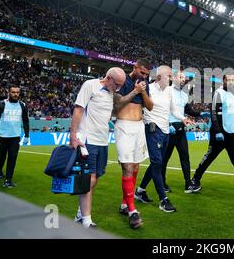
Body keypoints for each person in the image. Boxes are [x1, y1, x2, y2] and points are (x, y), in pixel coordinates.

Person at [70, 67, 126, 228]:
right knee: (90, 178)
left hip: (103, 141)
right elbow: (78, 109)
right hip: (88, 139)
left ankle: (81, 214)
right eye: (117, 85)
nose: (118, 88)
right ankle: (86, 220)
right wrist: (73, 135)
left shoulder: (110, 93)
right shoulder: (90, 85)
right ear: (108, 78)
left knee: (95, 179)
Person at [135, 66, 193, 213]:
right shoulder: (148, 88)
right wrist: (147, 122)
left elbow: (173, 109)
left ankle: (140, 191)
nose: (172, 78)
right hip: (153, 130)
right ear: (159, 77)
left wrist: (183, 118)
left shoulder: (169, 91)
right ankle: (163, 200)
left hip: (166, 131)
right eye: (169, 76)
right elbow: (145, 108)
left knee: (156, 163)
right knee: (157, 163)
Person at [191, 74, 234, 193]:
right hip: (220, 133)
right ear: (224, 81)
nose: (231, 82)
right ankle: (195, 179)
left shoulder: (232, 94)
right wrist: (217, 131)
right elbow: (214, 113)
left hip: (233, 133)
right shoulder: (218, 93)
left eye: (233, 80)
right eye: (229, 80)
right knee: (209, 157)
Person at [113, 58, 154, 229]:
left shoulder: (145, 84)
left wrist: (143, 91)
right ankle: (132, 211)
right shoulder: (123, 79)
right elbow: (117, 104)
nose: (144, 76)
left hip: (139, 127)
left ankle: (124, 204)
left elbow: (150, 106)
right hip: (123, 126)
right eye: (142, 72)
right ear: (134, 67)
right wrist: (135, 91)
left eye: (146, 74)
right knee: (127, 167)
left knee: (135, 167)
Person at [162, 70, 209, 194]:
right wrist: (168, 124)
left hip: (181, 130)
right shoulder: (167, 91)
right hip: (168, 130)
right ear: (174, 78)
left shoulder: (184, 95)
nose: (183, 80)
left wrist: (200, 114)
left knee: (185, 157)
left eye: (184, 78)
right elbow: (163, 109)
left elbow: (188, 110)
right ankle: (162, 182)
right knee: (165, 158)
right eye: (181, 77)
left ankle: (188, 184)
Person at [0, 86, 30, 188]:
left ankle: (8, 180)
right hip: (2, 136)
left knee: (12, 159)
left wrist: (27, 135)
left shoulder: (22, 105)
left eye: (17, 92)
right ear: (9, 92)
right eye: (13, 92)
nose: (15, 94)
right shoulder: (1, 104)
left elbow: (26, 121)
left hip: (15, 137)